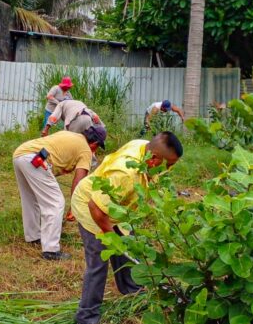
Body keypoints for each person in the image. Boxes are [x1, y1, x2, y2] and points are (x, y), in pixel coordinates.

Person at [71, 132, 184, 324]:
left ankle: (133, 294)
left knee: (128, 249)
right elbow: (96, 208)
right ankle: (86, 317)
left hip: (116, 207)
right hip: (91, 206)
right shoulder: (126, 174)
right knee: (99, 262)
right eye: (169, 165)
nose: (170, 169)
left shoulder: (144, 148)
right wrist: (112, 238)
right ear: (154, 159)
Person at [13, 126, 107, 261]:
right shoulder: (86, 150)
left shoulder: (69, 134)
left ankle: (33, 237)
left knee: (30, 199)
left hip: (20, 154)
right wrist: (74, 208)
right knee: (56, 203)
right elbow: (79, 182)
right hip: (36, 159)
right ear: (94, 144)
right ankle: (51, 250)